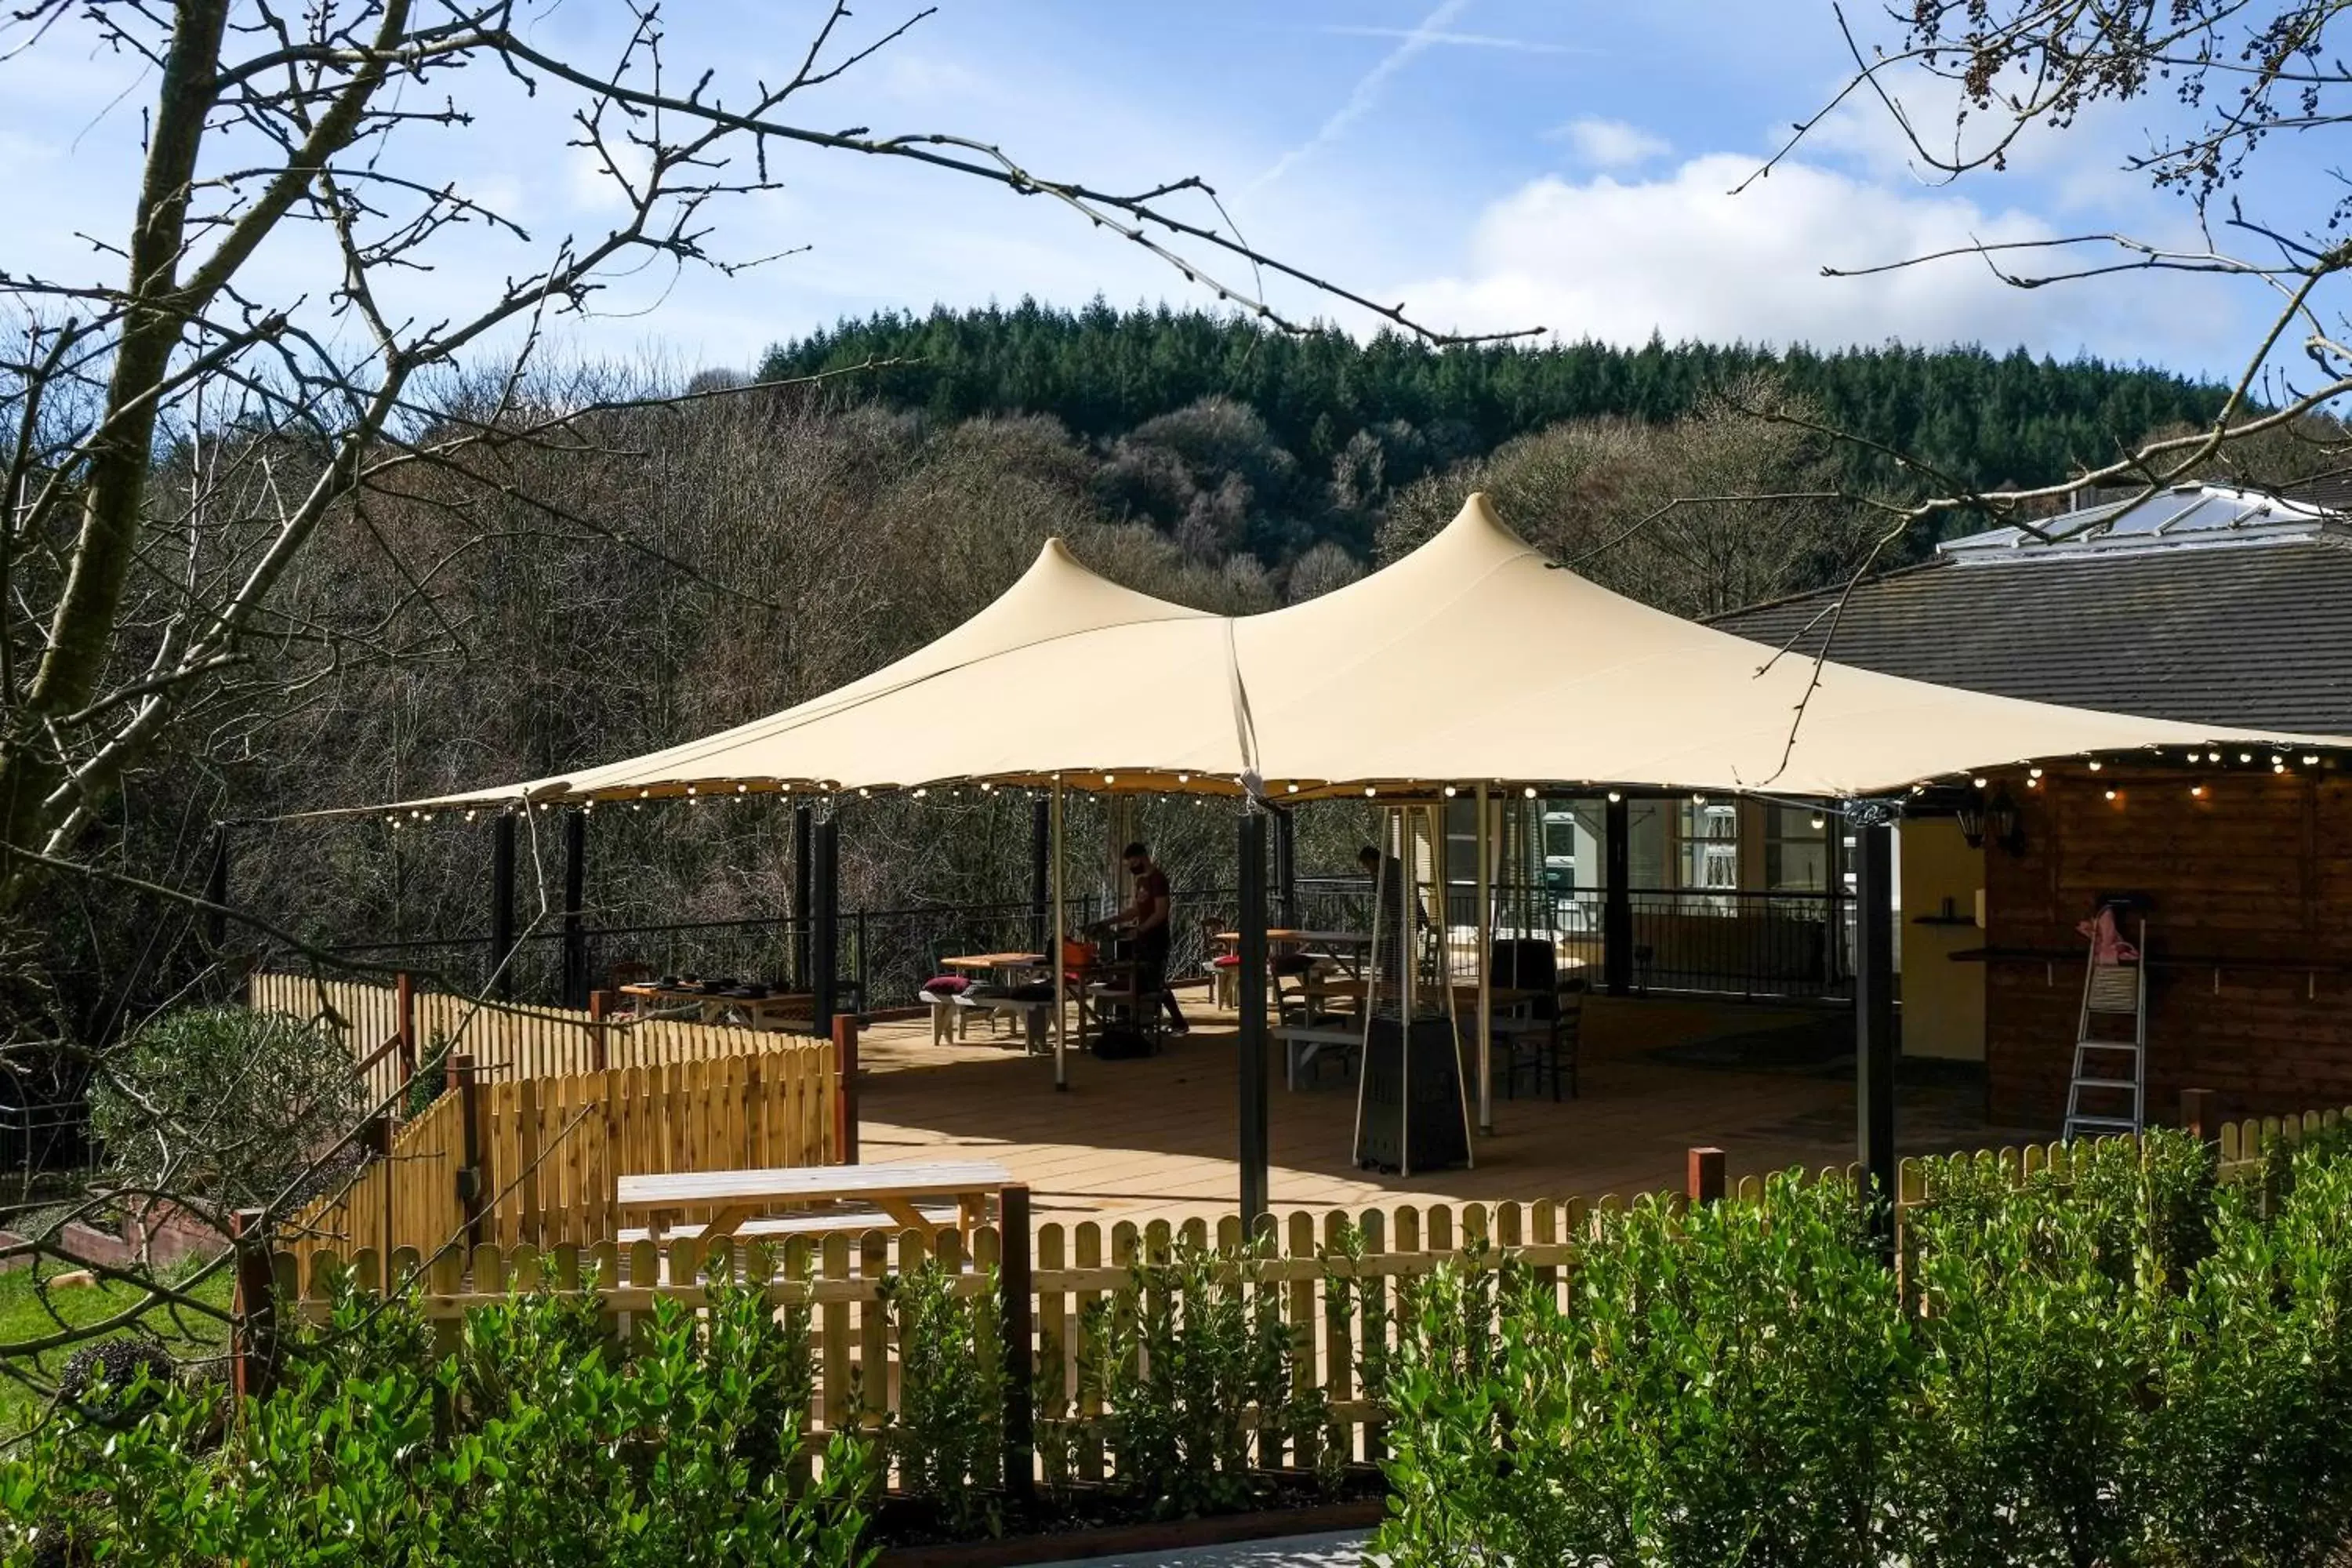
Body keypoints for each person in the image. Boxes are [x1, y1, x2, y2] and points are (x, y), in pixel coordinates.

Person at [1114, 840, 1188, 1034]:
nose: (1130, 867)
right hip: (1144, 938)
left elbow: (1161, 912)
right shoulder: (1140, 881)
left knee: (1155, 981)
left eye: (1131, 862)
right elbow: (1137, 910)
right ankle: (1147, 1020)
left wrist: (1141, 929)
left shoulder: (1158, 879)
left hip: (1157, 938)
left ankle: (1177, 1021)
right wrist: (1112, 920)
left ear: (1140, 858)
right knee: (1147, 979)